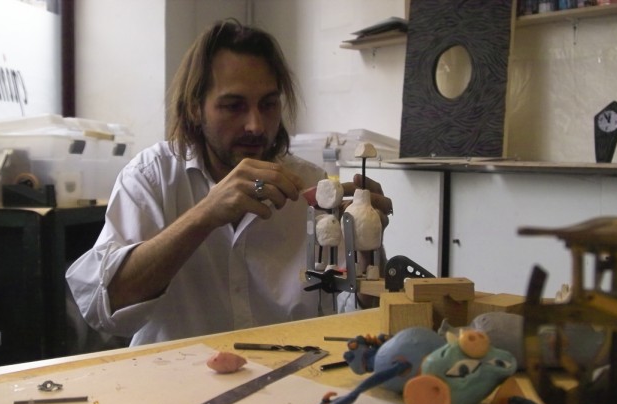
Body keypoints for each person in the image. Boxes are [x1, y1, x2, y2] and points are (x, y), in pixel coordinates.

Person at [66, 20, 393, 347]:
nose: (256, 125)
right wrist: (205, 215)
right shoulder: (151, 177)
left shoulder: (312, 188)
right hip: (176, 375)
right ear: (195, 108)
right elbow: (104, 309)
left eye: (268, 104)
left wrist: (366, 257)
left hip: (293, 374)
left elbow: (347, 315)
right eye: (233, 106)